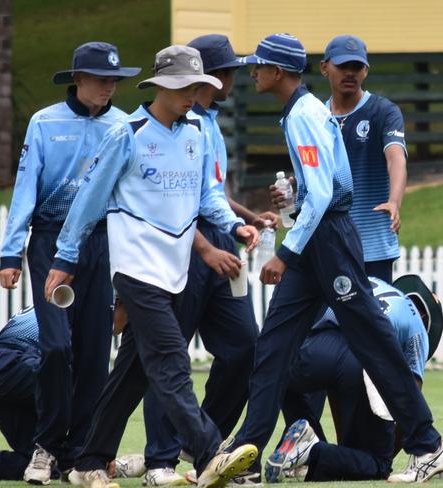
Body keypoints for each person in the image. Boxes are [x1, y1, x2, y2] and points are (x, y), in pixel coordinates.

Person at [222, 32, 443, 483]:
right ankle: (248, 451)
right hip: (320, 239)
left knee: (372, 342)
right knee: (274, 346)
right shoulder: (303, 111)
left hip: (331, 241)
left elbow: (325, 194)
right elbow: (318, 188)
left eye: (258, 66)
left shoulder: (305, 114)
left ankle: (428, 445)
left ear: (279, 72)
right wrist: (295, 200)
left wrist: (285, 253)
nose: (253, 73)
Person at [45, 44, 259, 488]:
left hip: (176, 271)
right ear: (160, 85)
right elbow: (89, 200)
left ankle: (87, 463)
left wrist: (234, 226)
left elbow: (207, 197)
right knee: (170, 360)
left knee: (133, 372)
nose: (193, 94)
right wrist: (65, 257)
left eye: (199, 86)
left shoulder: (197, 130)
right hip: (135, 270)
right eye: (185, 86)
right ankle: (208, 454)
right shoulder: (128, 132)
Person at [0, 41, 141, 484]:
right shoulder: (44, 123)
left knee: (96, 351)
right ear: (77, 79)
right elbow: (25, 187)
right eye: (101, 79)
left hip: (103, 243)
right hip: (49, 243)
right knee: (57, 347)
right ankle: (46, 446)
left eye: (115, 80)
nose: (109, 88)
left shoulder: (127, 125)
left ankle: (83, 453)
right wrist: (11, 250)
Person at [140, 34, 274, 487]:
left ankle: (201, 441)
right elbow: (169, 202)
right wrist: (209, 242)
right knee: (171, 356)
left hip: (220, 240)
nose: (236, 79)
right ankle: (160, 460)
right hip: (183, 245)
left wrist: (245, 220)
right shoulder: (178, 123)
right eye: (232, 71)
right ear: (214, 77)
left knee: (244, 346)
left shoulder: (208, 121)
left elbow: (211, 192)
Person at [0, 307, 146, 483]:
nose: (127, 327)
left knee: (47, 465)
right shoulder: (93, 310)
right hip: (16, 364)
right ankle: (100, 464)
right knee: (88, 391)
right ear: (117, 303)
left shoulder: (74, 295)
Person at [267, 275, 441, 483]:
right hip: (362, 360)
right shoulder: (417, 325)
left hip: (312, 344)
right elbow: (410, 402)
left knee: (284, 379)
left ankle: (305, 439)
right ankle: (311, 450)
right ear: (425, 318)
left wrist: (344, 447)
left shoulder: (374, 282)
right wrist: (383, 456)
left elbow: (335, 388)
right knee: (377, 465)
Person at [271, 35, 406, 283]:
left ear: (366, 71)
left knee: (371, 319)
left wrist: (394, 201)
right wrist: (294, 188)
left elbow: (395, 159)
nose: (350, 73)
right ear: (324, 67)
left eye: (356, 67)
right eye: (342, 66)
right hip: (325, 245)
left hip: (372, 245)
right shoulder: (315, 115)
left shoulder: (383, 111)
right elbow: (320, 176)